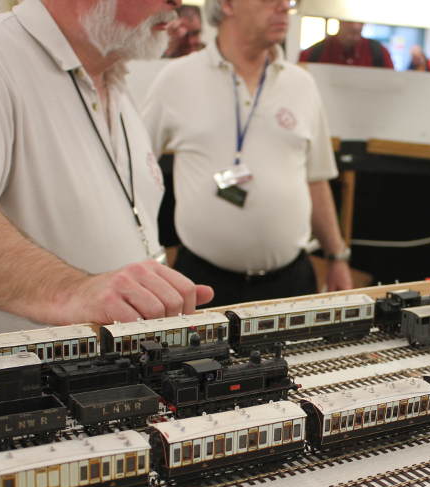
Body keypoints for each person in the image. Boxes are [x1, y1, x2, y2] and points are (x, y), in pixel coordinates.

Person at [0, 0, 214, 340]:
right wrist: (74, 293)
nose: (177, 3)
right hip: (20, 370)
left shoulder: (113, 80)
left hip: (119, 366)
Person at [142, 0, 353, 307]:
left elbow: (316, 179)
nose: (284, 7)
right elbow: (134, 172)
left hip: (291, 283)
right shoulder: (177, 79)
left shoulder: (301, 84)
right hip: (202, 284)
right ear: (227, 5)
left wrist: (336, 256)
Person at [299, 20, 393, 68]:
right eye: (350, 21)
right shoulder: (313, 54)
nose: (356, 27)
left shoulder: (380, 53)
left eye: (360, 21)